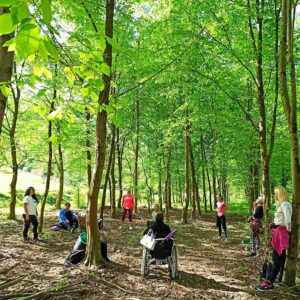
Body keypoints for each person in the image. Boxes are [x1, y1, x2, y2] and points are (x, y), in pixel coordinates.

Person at [256, 186, 292, 291]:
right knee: (279, 257)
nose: (274, 195)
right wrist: (275, 224)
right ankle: (277, 278)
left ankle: (270, 282)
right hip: (279, 232)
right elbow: (282, 219)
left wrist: (285, 230)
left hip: (281, 233)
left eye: (276, 193)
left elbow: (288, 220)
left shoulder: (285, 204)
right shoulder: (282, 204)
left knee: (277, 258)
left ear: (280, 193)